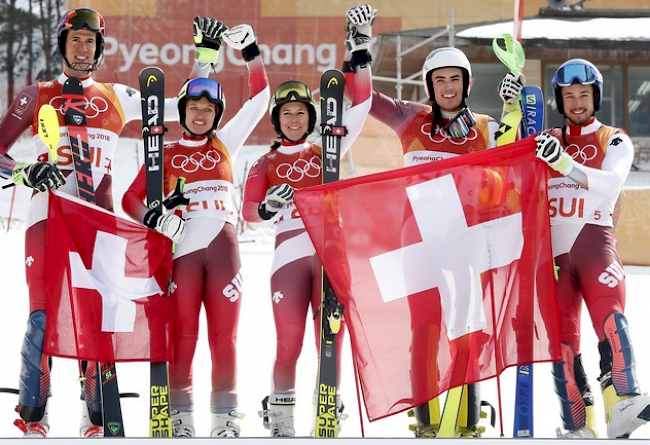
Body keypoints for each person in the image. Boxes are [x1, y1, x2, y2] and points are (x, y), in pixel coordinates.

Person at [0, 8, 223, 438]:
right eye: (75, 40)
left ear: (100, 49)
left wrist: (204, 59)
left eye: (90, 42)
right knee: (43, 316)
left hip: (97, 222)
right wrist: (25, 170)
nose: (82, 49)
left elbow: (179, 108)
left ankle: (97, 414)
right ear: (62, 44)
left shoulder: (117, 95)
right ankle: (34, 413)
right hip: (46, 216)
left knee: (94, 315)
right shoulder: (38, 93)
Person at [342, 5, 525, 437]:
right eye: (439, 79)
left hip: (465, 242)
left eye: (455, 79)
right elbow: (360, 98)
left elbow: (516, 157)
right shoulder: (410, 118)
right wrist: (360, 46)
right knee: (423, 328)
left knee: (466, 329)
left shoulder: (484, 126)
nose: (447, 87)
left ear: (466, 85)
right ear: (429, 85)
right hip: (418, 241)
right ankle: (426, 423)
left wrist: (515, 109)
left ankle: (464, 420)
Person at [122, 23, 269, 438]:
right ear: (182, 111)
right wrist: (157, 218)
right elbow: (130, 199)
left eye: (208, 109)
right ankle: (181, 418)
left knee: (225, 339)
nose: (200, 113)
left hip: (225, 255)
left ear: (216, 115)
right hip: (183, 255)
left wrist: (251, 52)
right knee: (183, 337)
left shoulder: (226, 143)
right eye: (193, 107)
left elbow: (260, 101)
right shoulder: (163, 153)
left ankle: (225, 420)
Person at [240, 9, 373, 438]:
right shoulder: (265, 162)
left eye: (301, 113)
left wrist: (360, 47)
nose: (294, 120)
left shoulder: (328, 150)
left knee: (330, 343)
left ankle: (328, 411)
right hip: (288, 257)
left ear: (312, 118)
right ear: (276, 120)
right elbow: (247, 210)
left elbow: (364, 102)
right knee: (289, 343)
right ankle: (280, 421)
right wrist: (265, 209)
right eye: (286, 114)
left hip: (330, 256)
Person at [534, 58, 650, 439]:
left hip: (594, 245)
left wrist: (564, 163)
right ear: (560, 100)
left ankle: (624, 401)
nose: (577, 102)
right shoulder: (546, 138)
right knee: (562, 348)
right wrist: (515, 113)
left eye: (584, 94)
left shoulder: (613, 138)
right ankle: (578, 428)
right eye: (569, 96)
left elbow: (612, 181)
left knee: (612, 321)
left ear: (595, 96)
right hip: (553, 258)